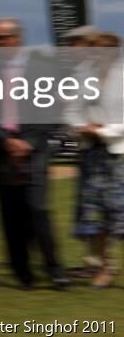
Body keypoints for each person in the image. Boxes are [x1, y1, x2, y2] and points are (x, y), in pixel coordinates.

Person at [0, 17, 68, 291]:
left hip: (34, 153)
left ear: (17, 39)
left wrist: (27, 142)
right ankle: (22, 272)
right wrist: (7, 141)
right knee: (11, 216)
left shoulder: (42, 71)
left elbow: (52, 113)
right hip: (2, 153)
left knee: (38, 210)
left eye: (2, 38)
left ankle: (55, 270)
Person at [72, 31, 124, 289]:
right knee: (97, 216)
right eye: (93, 50)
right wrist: (82, 127)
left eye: (100, 50)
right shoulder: (85, 78)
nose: (95, 55)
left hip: (119, 154)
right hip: (92, 154)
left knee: (119, 213)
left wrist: (102, 130)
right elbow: (71, 110)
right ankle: (105, 266)